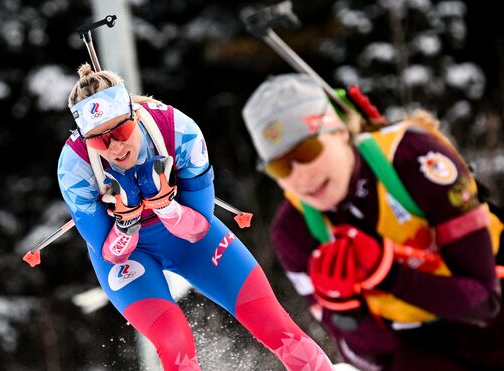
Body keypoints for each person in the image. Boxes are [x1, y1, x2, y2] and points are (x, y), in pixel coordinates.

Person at [57, 63, 335, 371]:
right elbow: (109, 252)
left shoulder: (178, 131)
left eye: (121, 130)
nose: (115, 147)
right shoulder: (75, 168)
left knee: (273, 322)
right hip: (130, 255)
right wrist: (126, 222)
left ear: (134, 113)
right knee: (174, 342)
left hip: (188, 236)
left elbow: (200, 226)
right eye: (98, 140)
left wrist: (166, 207)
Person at [241, 73, 504, 371]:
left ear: (339, 131)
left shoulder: (416, 161)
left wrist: (388, 273)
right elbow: (375, 360)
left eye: (306, 152)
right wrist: (345, 309)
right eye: (280, 166)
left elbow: (485, 304)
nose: (300, 177)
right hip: (422, 345)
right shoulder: (295, 230)